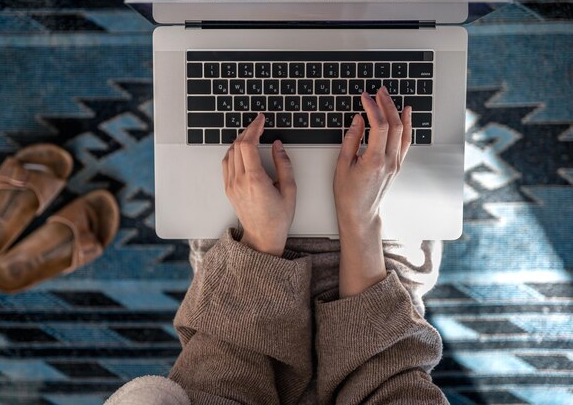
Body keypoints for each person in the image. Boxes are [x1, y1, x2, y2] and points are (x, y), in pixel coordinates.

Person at [104, 89, 448, 405]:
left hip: (246, 289)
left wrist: (260, 241)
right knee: (410, 124)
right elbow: (386, 373)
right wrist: (360, 219)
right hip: (375, 285)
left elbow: (221, 363)